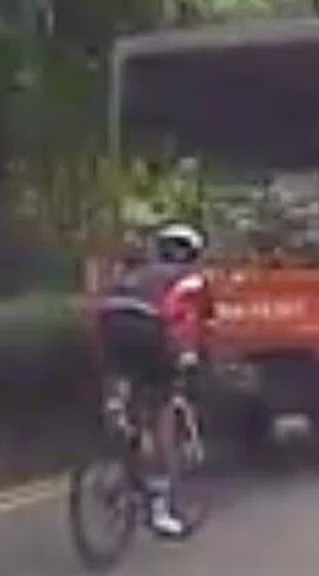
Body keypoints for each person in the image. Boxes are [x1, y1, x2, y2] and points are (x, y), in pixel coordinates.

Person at [98, 222, 208, 538]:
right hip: (148, 327)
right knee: (162, 411)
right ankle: (160, 509)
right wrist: (189, 354)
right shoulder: (190, 280)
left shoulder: (135, 275)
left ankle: (118, 412)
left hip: (110, 321)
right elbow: (186, 320)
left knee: (123, 376)